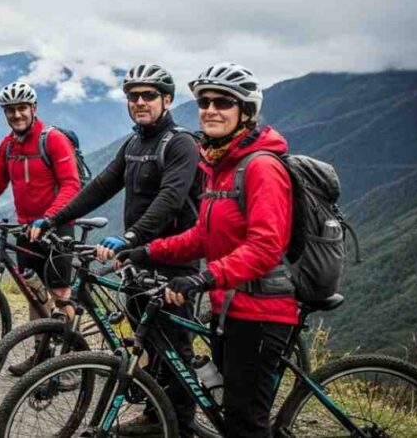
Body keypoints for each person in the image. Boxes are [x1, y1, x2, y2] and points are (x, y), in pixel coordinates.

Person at [116, 62, 297, 437]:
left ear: (246, 112)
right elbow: (202, 235)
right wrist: (147, 252)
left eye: (223, 102)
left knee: (245, 425)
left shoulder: (261, 167)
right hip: (228, 308)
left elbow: (266, 246)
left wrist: (203, 277)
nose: (211, 110)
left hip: (260, 313)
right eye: (204, 102)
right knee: (231, 412)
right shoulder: (221, 166)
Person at [29, 64, 203, 434]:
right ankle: (156, 416)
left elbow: (171, 199)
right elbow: (101, 187)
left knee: (176, 352)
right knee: (149, 344)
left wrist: (131, 236)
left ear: (167, 100)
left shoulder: (181, 143)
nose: (139, 102)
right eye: (133, 96)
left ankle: (182, 426)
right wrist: (54, 218)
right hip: (138, 260)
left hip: (173, 261)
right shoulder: (134, 144)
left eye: (148, 95)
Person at [0, 81, 82, 326]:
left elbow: (71, 185)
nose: (17, 114)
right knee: (34, 295)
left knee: (60, 295)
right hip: (26, 230)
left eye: (22, 108)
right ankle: (40, 346)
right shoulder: (8, 145)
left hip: (57, 227)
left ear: (34, 108)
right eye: (10, 110)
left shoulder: (53, 139)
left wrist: (49, 218)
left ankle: (69, 345)